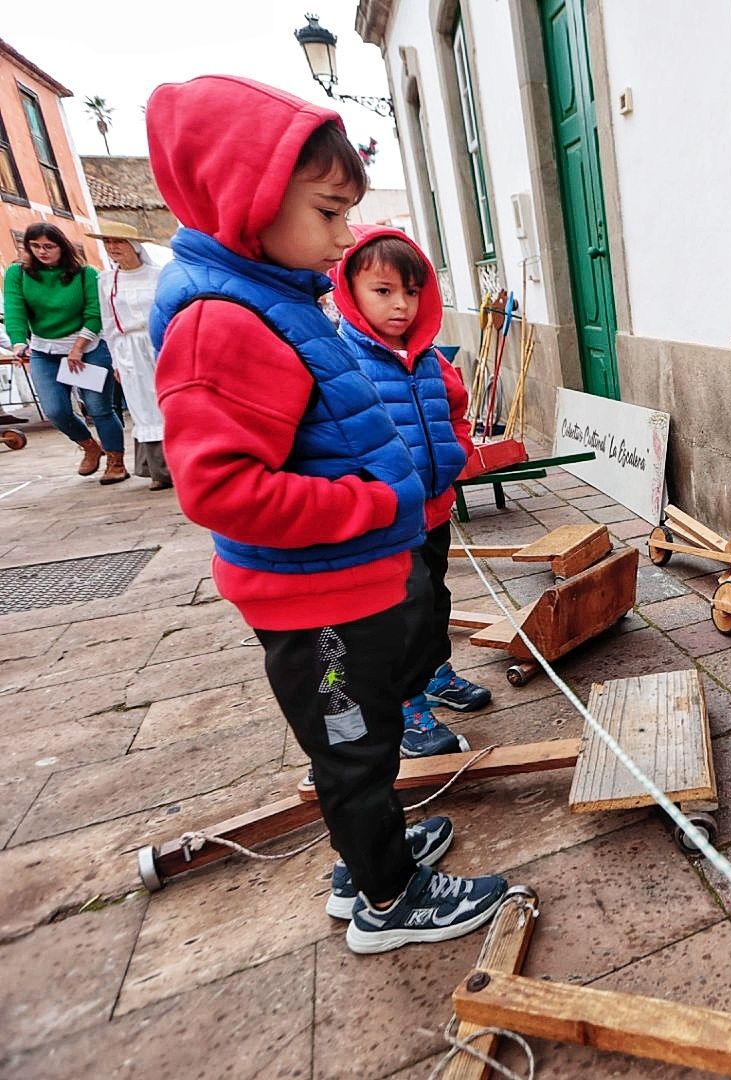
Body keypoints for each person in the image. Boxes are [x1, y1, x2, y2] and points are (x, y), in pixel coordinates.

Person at [145, 75, 508, 954]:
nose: (345, 238)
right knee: (351, 746)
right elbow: (221, 488)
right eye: (329, 213)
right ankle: (387, 900)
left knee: (366, 737)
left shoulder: (271, 301)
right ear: (249, 200)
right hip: (319, 604)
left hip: (343, 587)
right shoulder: (222, 322)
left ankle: (367, 851)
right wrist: (374, 502)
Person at [331, 226, 495, 759]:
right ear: (349, 290)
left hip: (433, 508)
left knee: (436, 599)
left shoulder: (428, 357)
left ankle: (434, 671)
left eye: (411, 291)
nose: (400, 305)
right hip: (385, 519)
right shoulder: (343, 359)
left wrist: (456, 455)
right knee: (406, 609)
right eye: (383, 291)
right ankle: (406, 703)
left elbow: (455, 408)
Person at [3, 222, 127, 482]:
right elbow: (15, 310)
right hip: (45, 350)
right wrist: (18, 342)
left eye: (49, 246)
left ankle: (116, 461)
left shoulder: (86, 274)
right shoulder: (18, 273)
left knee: (98, 407)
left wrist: (78, 348)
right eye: (35, 246)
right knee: (55, 410)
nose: (42, 252)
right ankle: (89, 446)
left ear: (63, 247)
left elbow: (95, 314)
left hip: (88, 347)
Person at [89, 221, 172, 490]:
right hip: (128, 348)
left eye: (119, 242)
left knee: (166, 398)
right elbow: (108, 321)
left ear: (134, 246)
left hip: (157, 341)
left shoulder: (158, 275)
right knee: (142, 405)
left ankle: (181, 461)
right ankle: (158, 470)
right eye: (109, 243)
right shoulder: (105, 281)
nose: (113, 248)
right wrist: (115, 359)